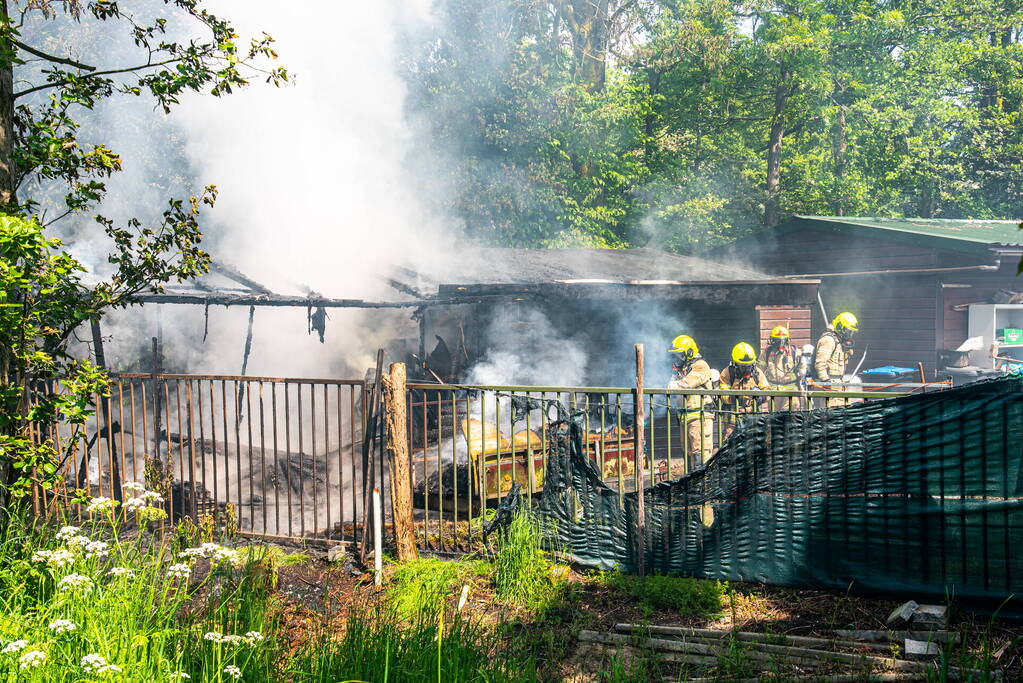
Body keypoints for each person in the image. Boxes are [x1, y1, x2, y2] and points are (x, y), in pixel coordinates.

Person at [667, 334, 714, 472]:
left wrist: (672, 384)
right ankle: (691, 486)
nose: (676, 358)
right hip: (686, 417)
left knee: (700, 454)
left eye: (679, 354)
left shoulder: (700, 366)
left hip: (699, 417)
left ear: (689, 352)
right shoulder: (683, 369)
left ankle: (703, 488)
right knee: (688, 453)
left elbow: (685, 385)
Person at [718, 342, 770, 441]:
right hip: (732, 421)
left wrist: (759, 399)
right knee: (731, 448)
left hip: (753, 420)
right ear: (735, 364)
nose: (747, 369)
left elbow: (767, 391)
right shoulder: (727, 373)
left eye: (749, 366)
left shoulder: (757, 373)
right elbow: (722, 394)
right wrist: (737, 399)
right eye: (743, 366)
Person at [814, 311, 858, 407]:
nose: (849, 334)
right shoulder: (828, 340)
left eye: (851, 332)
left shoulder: (839, 341)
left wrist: (847, 352)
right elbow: (820, 363)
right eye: (848, 331)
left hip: (840, 384)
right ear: (839, 326)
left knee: (845, 412)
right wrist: (826, 382)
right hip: (831, 385)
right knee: (831, 414)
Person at [762, 325, 800, 410]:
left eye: (781, 341)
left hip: (791, 393)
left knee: (789, 417)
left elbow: (802, 369)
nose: (779, 344)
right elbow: (759, 371)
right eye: (776, 341)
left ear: (786, 341)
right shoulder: (766, 353)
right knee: (774, 418)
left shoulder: (794, 352)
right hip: (773, 393)